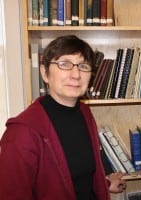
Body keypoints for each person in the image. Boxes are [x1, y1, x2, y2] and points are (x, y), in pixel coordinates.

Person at [0, 35, 126, 200]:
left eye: (83, 66)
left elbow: (74, 176)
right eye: (64, 64)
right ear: (45, 73)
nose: (76, 74)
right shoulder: (22, 132)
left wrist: (105, 184)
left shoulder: (84, 112)